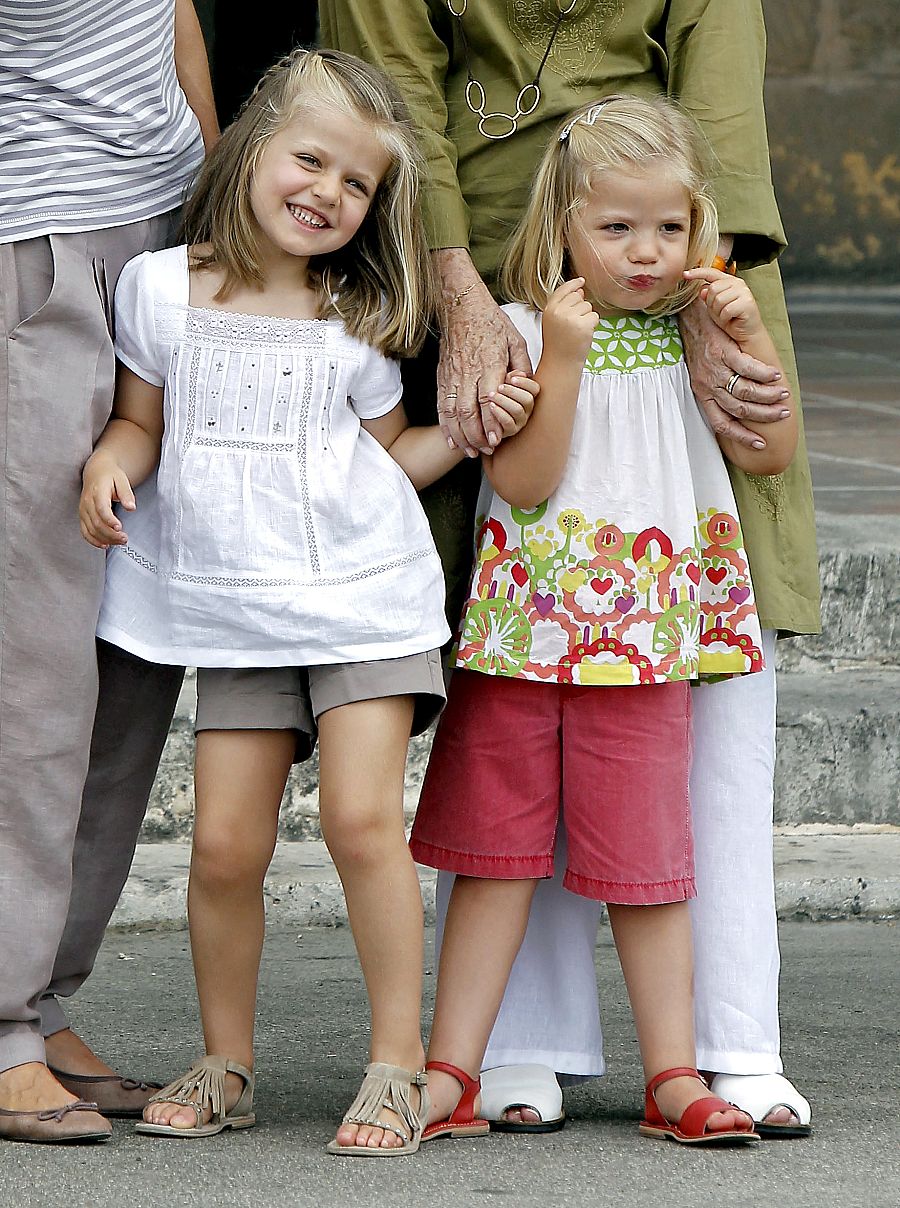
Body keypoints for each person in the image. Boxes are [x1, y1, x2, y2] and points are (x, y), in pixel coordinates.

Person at [319, 0, 819, 1136]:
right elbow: (531, 478)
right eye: (617, 231)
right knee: (498, 842)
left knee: (651, 849)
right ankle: (470, 1061)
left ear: (695, 231)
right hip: (526, 633)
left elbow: (771, 450)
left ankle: (682, 1067)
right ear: (569, 229)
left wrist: (741, 330)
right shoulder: (539, 324)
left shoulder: (703, 309)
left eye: (666, 232)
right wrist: (557, 351)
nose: (644, 254)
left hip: (648, 643)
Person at [77, 48, 536, 1153]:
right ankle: (227, 1060)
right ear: (249, 149)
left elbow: (386, 460)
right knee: (225, 846)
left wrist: (471, 428)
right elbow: (145, 417)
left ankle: (395, 1063)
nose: (328, 191)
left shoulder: (360, 310)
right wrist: (111, 454)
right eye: (310, 158)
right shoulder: (161, 287)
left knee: (362, 822)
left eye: (357, 183)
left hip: (364, 595)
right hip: (236, 599)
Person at [0, 0, 218, 1144]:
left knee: (134, 646)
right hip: (29, 242)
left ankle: (43, 995)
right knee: (32, 662)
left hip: (163, 230)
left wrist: (220, 199)